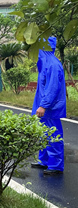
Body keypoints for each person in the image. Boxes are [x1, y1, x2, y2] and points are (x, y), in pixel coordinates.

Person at [30, 37, 66, 176]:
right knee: (43, 134)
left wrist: (44, 105)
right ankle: (44, 160)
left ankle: (56, 165)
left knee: (53, 135)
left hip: (50, 108)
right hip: (44, 107)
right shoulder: (45, 63)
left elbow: (52, 88)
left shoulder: (52, 64)